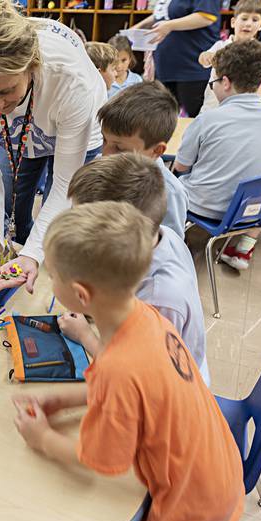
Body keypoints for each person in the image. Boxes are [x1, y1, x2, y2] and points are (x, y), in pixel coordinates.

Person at [12, 201, 244, 521]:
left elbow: (102, 461)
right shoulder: (146, 316)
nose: (51, 281)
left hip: (192, 512)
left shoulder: (118, 368)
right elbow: (138, 389)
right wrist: (64, 401)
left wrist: (43, 438)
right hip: (221, 477)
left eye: (53, 274)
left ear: (80, 294)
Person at [0, 0, 106, 295]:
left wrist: (34, 253)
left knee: (61, 227)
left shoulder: (70, 83)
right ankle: (21, 253)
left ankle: (40, 264)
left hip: (74, 121)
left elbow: (64, 185)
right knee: (15, 197)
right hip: (25, 133)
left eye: (6, 90)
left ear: (31, 68)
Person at [65, 153, 209, 385]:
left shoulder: (159, 298)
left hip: (167, 392)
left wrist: (84, 336)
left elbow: (140, 377)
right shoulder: (163, 234)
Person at [174, 40, 261, 270]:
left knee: (166, 182)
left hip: (206, 207)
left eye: (212, 82)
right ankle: (243, 247)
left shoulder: (207, 119)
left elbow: (182, 167)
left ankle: (173, 245)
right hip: (251, 211)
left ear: (225, 82)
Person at [97, 81, 188, 238]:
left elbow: (169, 245)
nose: (105, 154)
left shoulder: (170, 194)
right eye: (104, 140)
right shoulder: (101, 168)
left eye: (119, 149)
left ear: (156, 151)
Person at [132, 0, 219, 117]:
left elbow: (206, 16)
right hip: (166, 69)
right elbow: (162, 14)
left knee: (195, 120)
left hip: (191, 69)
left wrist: (169, 25)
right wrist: (139, 26)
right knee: (163, 120)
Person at [198, 0, 261, 114]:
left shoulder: (258, 53)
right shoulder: (220, 45)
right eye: (244, 18)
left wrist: (254, 104)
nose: (248, 24)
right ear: (233, 22)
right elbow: (203, 60)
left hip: (241, 107)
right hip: (213, 103)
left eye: (254, 20)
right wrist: (206, 56)